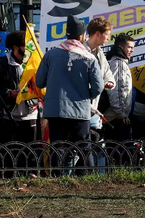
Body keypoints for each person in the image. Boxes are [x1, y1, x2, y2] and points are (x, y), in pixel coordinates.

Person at [35, 15, 103, 143]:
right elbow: (98, 87)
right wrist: (85, 96)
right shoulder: (89, 57)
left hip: (55, 111)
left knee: (58, 149)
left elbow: (39, 82)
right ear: (81, 37)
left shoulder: (50, 55)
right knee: (84, 149)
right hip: (80, 111)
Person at [0, 31, 38, 143]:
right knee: (10, 153)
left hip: (31, 114)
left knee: (30, 153)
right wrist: (8, 93)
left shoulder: (34, 62)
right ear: (16, 47)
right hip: (9, 115)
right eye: (25, 46)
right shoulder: (3, 64)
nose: (29, 49)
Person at [84, 17, 116, 135]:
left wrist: (110, 82)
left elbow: (107, 72)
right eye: (107, 34)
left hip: (94, 108)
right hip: (80, 108)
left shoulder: (100, 52)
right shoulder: (80, 51)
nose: (109, 38)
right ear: (98, 34)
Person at [104, 33, 135, 141]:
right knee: (120, 151)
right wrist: (121, 112)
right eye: (129, 47)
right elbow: (116, 90)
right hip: (115, 117)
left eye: (133, 47)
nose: (132, 50)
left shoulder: (118, 62)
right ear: (121, 47)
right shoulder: (118, 63)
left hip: (116, 115)